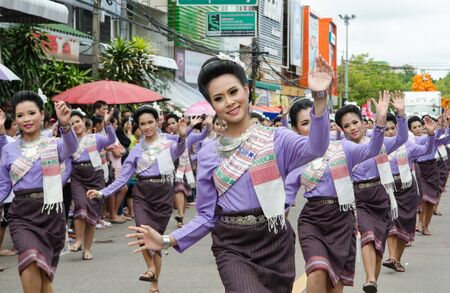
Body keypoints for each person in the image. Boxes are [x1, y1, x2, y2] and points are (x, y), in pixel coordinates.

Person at [126, 55, 332, 293]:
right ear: (212, 106)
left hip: (274, 241)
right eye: (219, 98)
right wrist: (166, 240)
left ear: (246, 90)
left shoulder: (278, 139)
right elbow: (206, 215)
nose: (230, 102)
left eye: (234, 92)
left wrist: (319, 97)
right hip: (231, 245)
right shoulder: (208, 153)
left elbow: (316, 147)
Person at [285, 93, 389, 293]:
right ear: (296, 129)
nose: (314, 128)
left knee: (335, 285)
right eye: (306, 123)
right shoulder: (295, 158)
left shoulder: (344, 147)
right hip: (313, 221)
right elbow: (286, 199)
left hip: (342, 221)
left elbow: (372, 150)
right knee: (317, 271)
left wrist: (380, 122)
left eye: (318, 121)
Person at [87, 105, 188, 293]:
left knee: (156, 240)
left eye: (150, 122)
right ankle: (150, 268)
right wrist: (102, 192)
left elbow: (179, 150)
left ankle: (155, 283)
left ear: (158, 122)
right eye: (143, 124)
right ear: (138, 126)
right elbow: (123, 178)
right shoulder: (135, 150)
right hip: (143, 196)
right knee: (142, 234)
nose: (147, 126)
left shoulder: (168, 143)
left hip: (164, 195)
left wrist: (182, 136)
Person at [0, 91, 76, 293]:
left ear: (42, 114)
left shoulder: (55, 143)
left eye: (31, 113)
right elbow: (3, 186)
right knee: (29, 258)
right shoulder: (9, 150)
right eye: (20, 115)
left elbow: (71, 147)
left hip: (51, 213)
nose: (26, 119)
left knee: (44, 273)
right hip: (22, 215)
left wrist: (65, 124)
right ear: (14, 119)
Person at [334, 91, 408, 293]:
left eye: (355, 122)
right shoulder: (342, 148)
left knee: (378, 245)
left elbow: (402, 137)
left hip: (381, 196)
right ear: (342, 129)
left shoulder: (379, 142)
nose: (352, 128)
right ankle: (369, 280)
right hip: (359, 199)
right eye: (347, 126)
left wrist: (400, 114)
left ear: (364, 122)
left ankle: (372, 281)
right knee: (366, 235)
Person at [383, 113, 435, 273]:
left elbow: (426, 149)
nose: (391, 131)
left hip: (407, 188)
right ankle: (392, 257)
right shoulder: (378, 146)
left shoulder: (407, 144)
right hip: (387, 188)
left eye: (393, 128)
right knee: (391, 223)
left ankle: (397, 259)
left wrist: (431, 134)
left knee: (405, 224)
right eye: (387, 129)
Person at [69, 109, 116, 260]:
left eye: (77, 121)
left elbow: (111, 139)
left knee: (92, 215)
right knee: (80, 205)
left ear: (83, 122)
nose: (75, 125)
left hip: (96, 178)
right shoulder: (67, 143)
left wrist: (107, 123)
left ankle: (87, 249)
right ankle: (78, 240)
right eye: (71, 124)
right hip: (77, 178)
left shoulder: (95, 138)